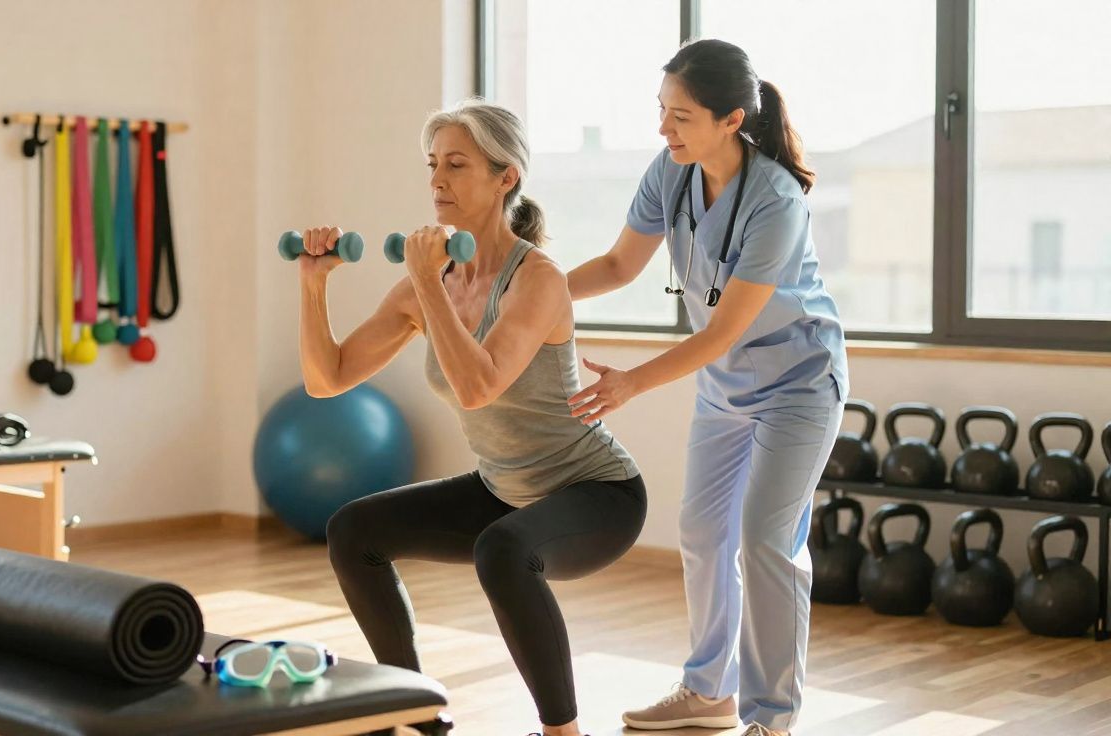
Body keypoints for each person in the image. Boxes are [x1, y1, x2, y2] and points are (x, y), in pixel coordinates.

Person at [295, 99, 645, 736]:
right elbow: (327, 380)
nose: (437, 180)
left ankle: (562, 732)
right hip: (504, 490)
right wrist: (314, 284)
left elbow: (479, 385)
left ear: (505, 177)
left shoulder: (538, 280)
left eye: (456, 164)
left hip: (597, 493)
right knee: (354, 532)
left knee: (503, 550)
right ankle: (412, 707)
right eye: (433, 165)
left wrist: (430, 285)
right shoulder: (423, 285)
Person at [564, 40, 849, 736]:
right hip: (727, 389)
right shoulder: (671, 171)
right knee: (700, 531)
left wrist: (632, 383)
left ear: (730, 119)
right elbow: (616, 264)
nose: (664, 129)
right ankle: (708, 690)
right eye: (662, 112)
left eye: (681, 116)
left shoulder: (777, 202)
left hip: (798, 386)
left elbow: (722, 331)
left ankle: (772, 719)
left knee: (764, 542)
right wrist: (526, 298)